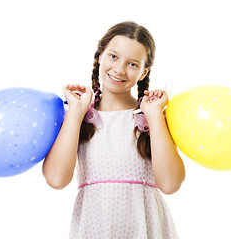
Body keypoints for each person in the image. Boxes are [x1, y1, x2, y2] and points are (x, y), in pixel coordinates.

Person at [42, 21, 185, 239]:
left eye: (133, 64)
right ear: (99, 56)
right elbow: (56, 179)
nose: (119, 69)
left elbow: (170, 184)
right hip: (95, 229)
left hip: (147, 230)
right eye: (113, 56)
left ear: (145, 72)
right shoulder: (78, 117)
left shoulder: (152, 118)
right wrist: (76, 113)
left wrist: (154, 115)